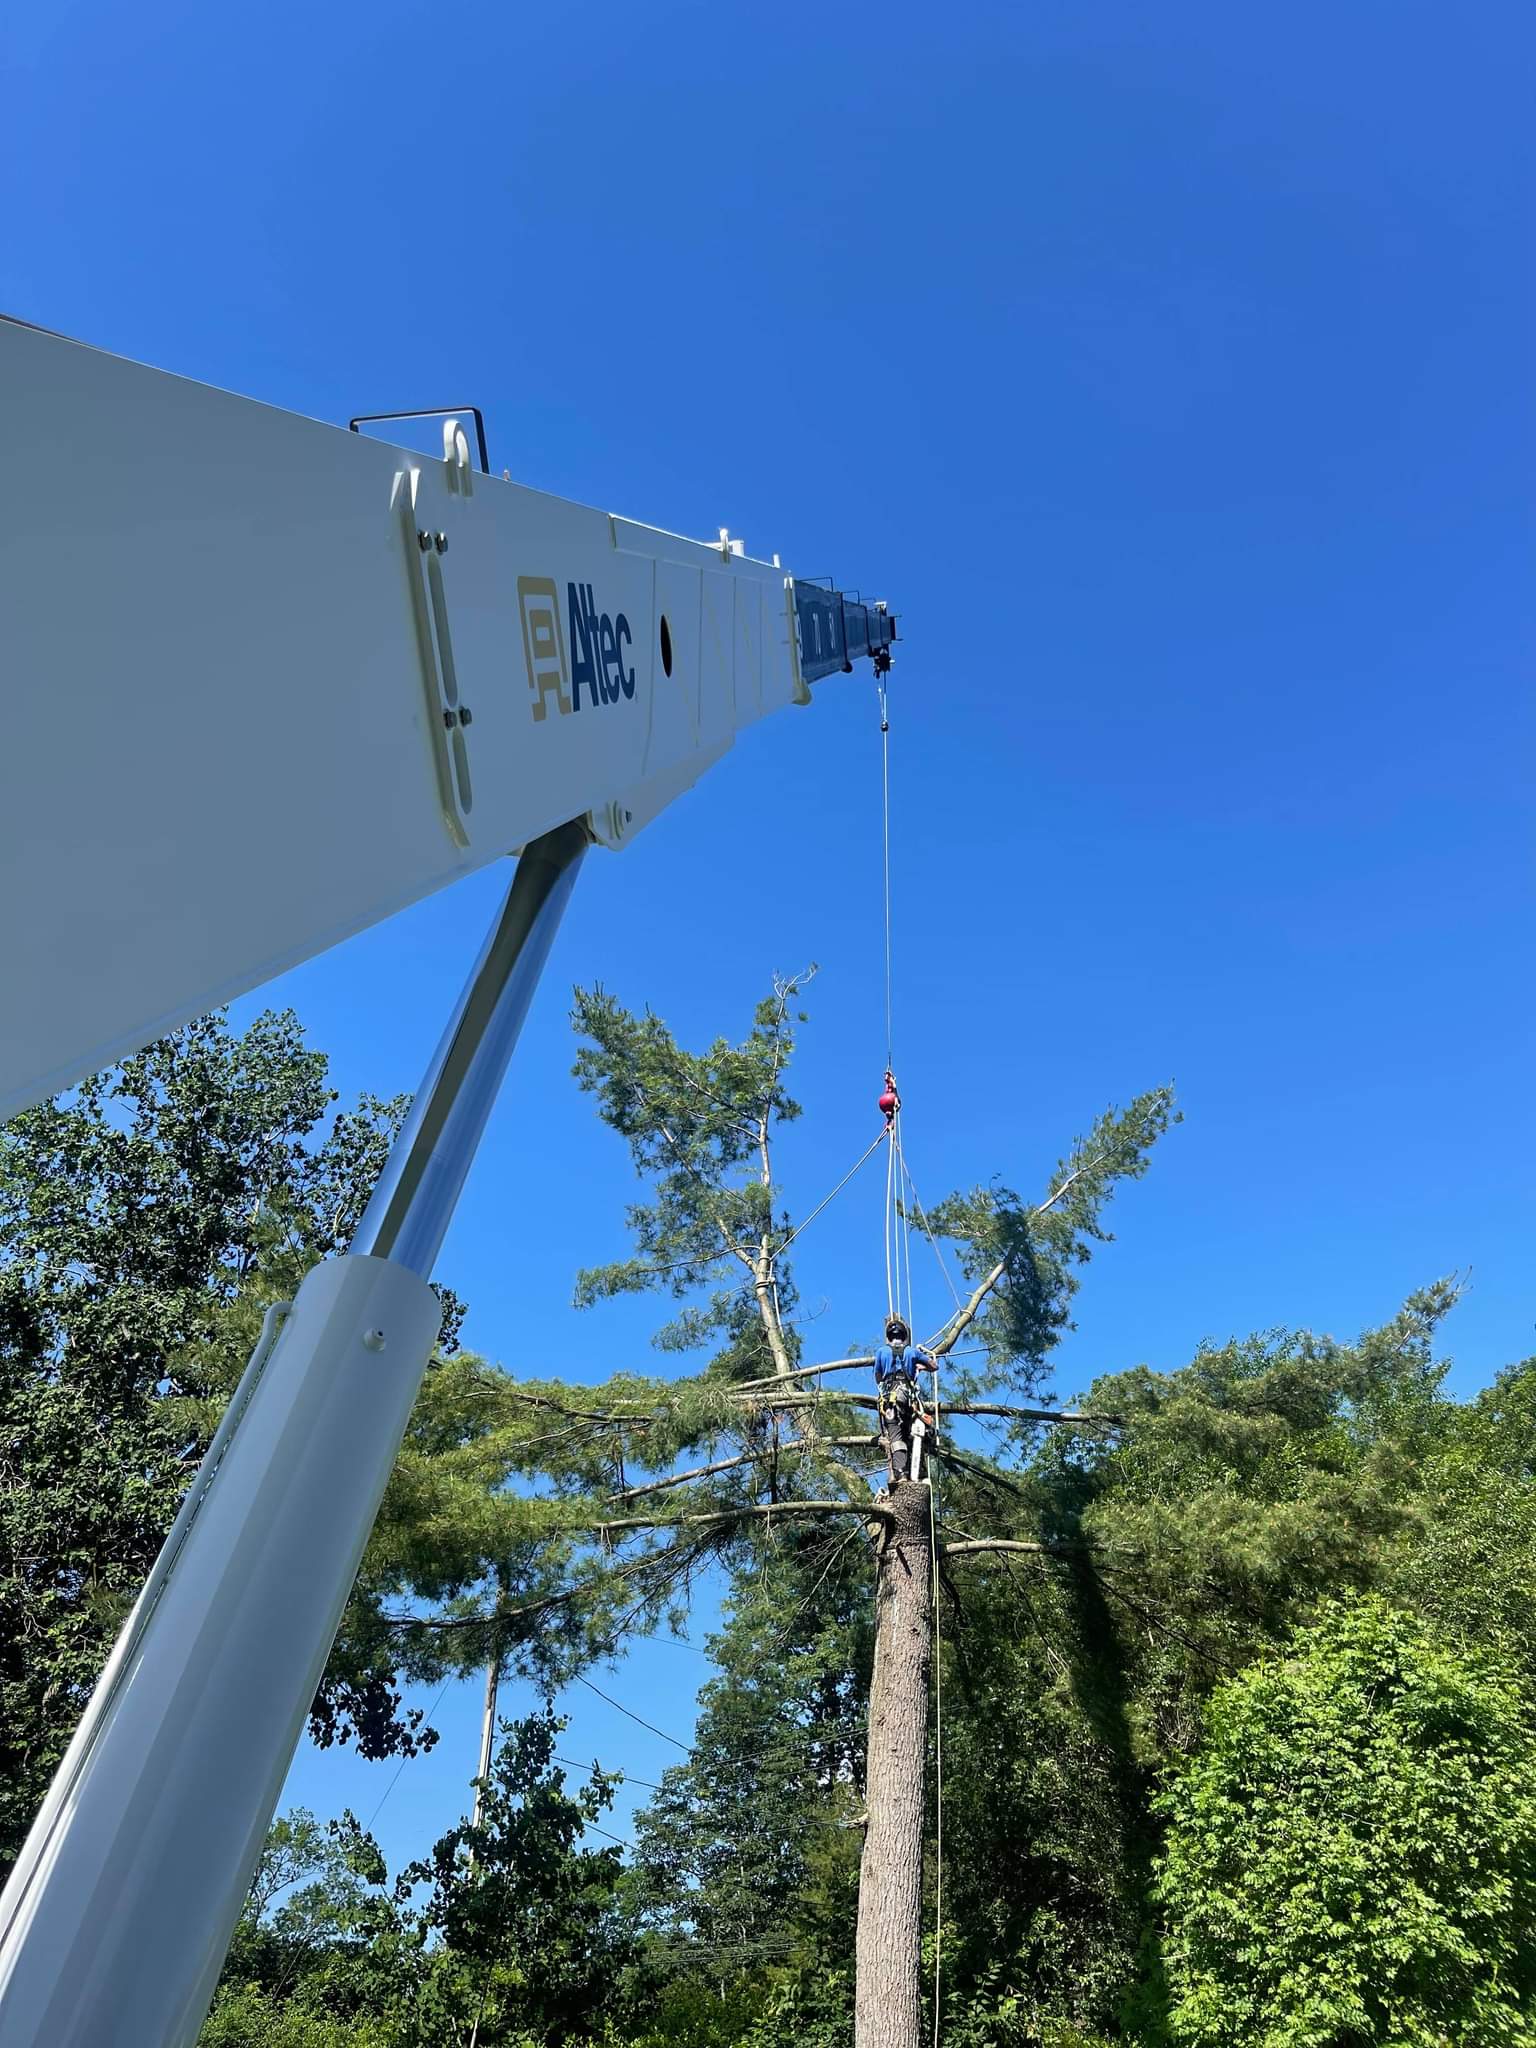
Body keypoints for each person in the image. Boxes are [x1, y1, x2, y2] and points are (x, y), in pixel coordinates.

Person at [874, 1315, 935, 1483]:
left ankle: (901, 1474)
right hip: (907, 1399)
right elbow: (934, 1366)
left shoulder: (881, 1352)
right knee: (908, 1434)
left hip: (890, 1400)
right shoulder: (912, 1351)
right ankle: (915, 1471)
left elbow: (878, 1377)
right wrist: (920, 1366)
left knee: (896, 1437)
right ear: (905, 1335)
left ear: (888, 1336)